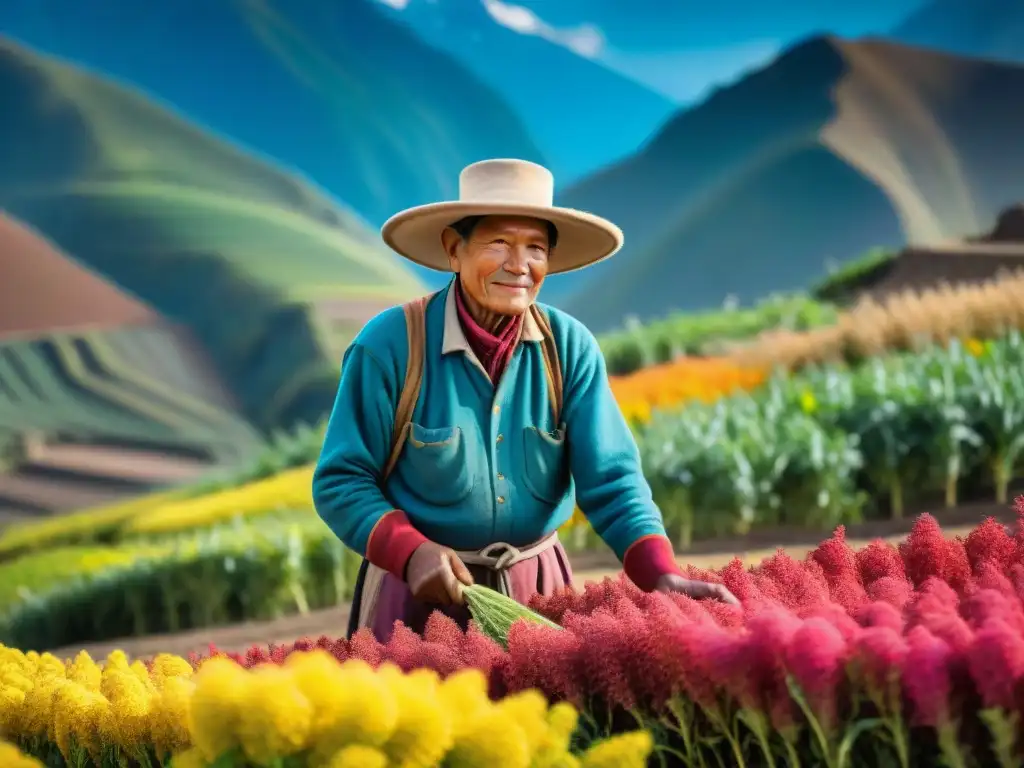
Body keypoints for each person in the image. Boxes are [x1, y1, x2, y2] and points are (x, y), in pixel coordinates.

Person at [313, 158, 739, 642]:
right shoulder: (391, 345)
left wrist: (659, 572)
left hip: (538, 595)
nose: (519, 265)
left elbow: (613, 479)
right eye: (499, 243)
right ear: (455, 249)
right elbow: (341, 481)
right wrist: (409, 552)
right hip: (418, 601)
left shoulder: (569, 349)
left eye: (535, 248)